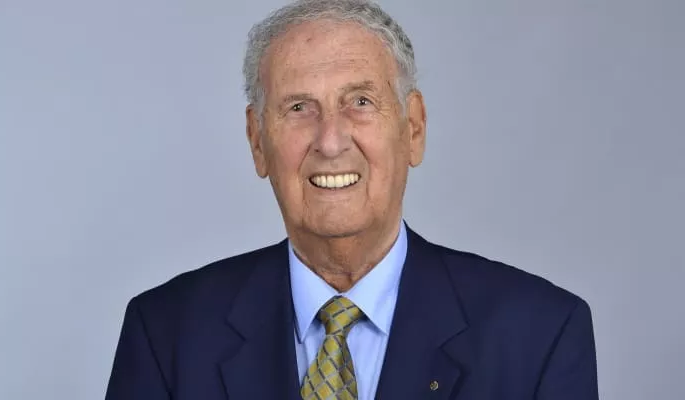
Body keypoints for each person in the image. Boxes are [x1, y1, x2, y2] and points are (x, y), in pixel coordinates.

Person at [105, 0, 599, 399]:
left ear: (413, 129)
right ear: (257, 141)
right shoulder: (166, 333)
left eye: (360, 102)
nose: (330, 141)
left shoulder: (540, 334)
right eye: (299, 107)